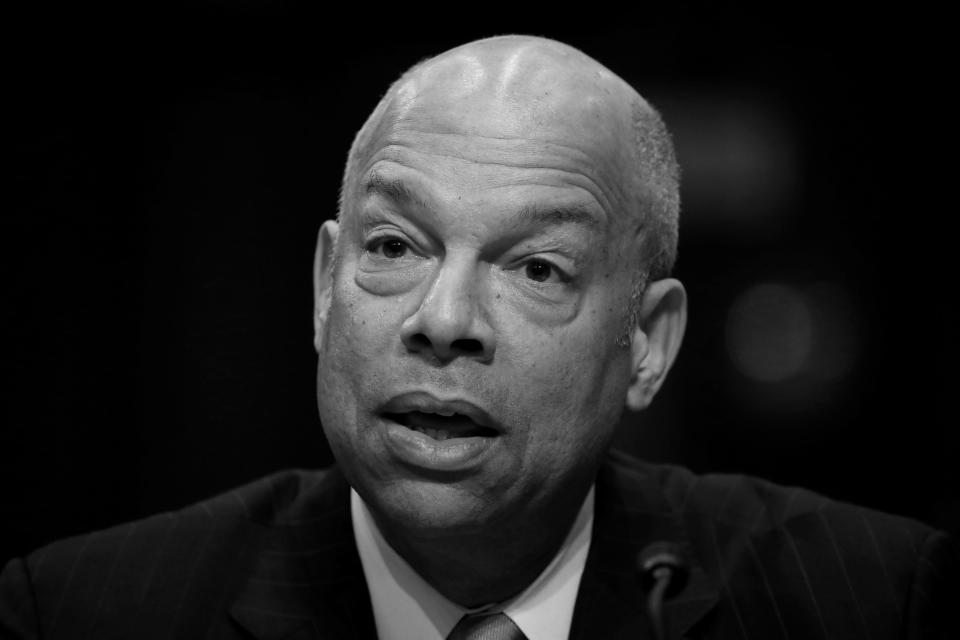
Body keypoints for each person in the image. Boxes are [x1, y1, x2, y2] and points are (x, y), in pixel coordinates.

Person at [0, 35, 955, 640]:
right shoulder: (89, 611)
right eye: (394, 245)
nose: (443, 321)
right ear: (326, 290)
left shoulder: (867, 601)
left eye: (536, 268)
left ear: (649, 343)